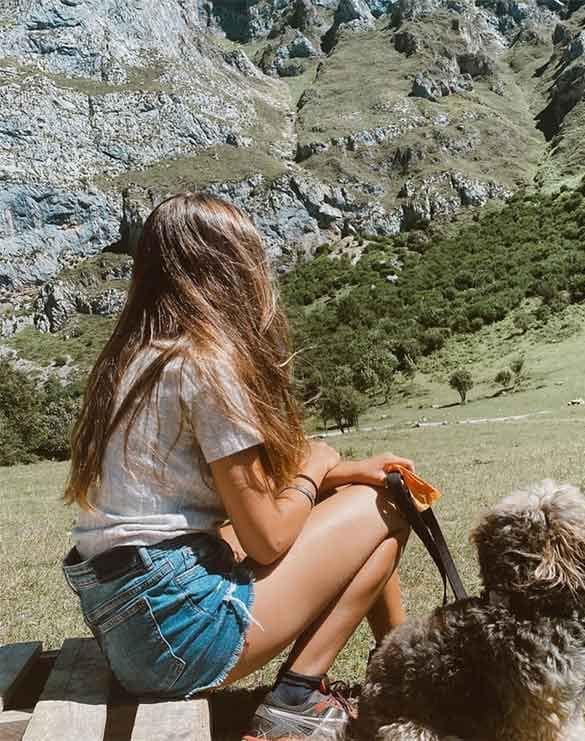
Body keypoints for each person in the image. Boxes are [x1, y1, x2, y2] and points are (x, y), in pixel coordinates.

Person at [61, 192, 413, 739]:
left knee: (368, 525)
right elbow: (269, 538)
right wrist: (316, 466)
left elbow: (223, 492)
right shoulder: (207, 361)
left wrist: (336, 475)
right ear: (229, 269)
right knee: (385, 506)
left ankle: (400, 684)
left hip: (134, 625)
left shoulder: (134, 360)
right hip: (178, 629)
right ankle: (326, 696)